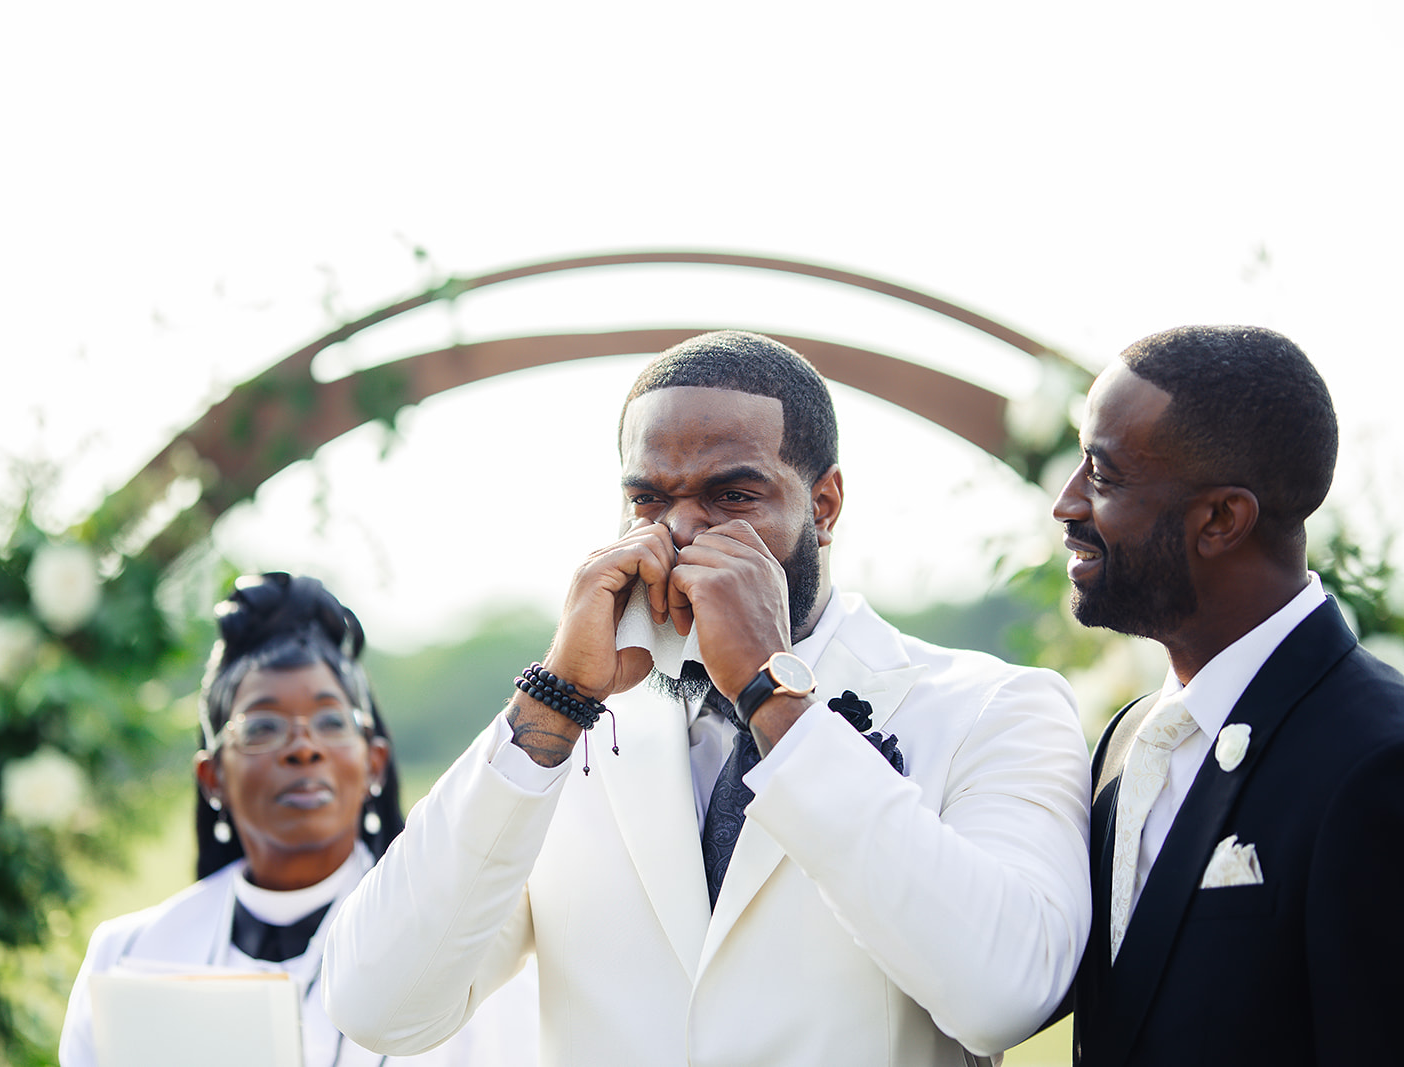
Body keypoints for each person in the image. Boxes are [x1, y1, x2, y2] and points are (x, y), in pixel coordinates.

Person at [323, 331, 1091, 1066]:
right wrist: (553, 702)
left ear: (823, 507)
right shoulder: (565, 740)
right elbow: (379, 1003)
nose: (682, 530)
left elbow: (1007, 995)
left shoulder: (992, 708)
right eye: (649, 499)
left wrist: (772, 693)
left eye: (731, 495)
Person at [1052, 325, 1404, 1065]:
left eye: (1103, 475)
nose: (1067, 503)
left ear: (1221, 519)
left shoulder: (1380, 759)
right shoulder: (1126, 739)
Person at [60, 572, 537, 1067]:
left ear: (373, 762)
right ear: (212, 777)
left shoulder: (459, 953)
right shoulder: (126, 954)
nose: (304, 749)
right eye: (263, 726)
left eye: (331, 721)